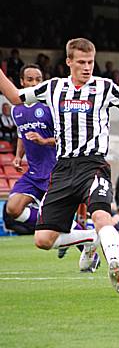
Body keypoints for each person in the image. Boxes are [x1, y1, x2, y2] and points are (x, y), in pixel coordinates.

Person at [0, 37, 119, 294]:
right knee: (43, 240)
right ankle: (92, 238)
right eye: (81, 62)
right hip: (63, 168)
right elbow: (15, 97)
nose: (86, 67)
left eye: (90, 62)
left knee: (101, 215)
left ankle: (115, 262)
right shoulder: (53, 88)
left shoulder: (105, 87)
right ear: (68, 62)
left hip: (93, 165)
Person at [3, 64, 56, 235]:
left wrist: (44, 140)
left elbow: (66, 139)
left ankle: (84, 244)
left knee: (55, 225)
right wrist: (18, 156)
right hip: (34, 173)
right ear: (22, 82)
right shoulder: (16, 109)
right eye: (30, 79)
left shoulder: (50, 106)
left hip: (55, 172)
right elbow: (21, 134)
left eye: (38, 80)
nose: (34, 83)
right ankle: (55, 226)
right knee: (13, 208)